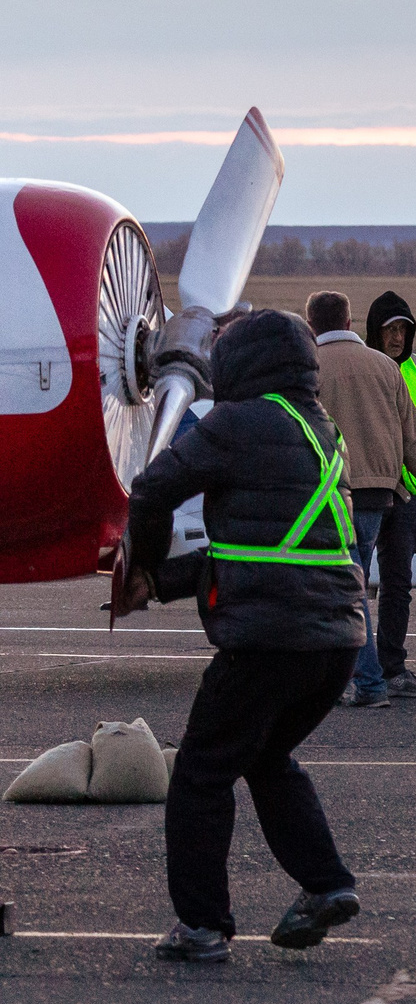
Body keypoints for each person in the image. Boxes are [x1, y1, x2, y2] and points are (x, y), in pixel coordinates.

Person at [121, 309, 369, 962]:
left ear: (245, 362)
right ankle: (326, 884)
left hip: (271, 638)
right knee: (264, 757)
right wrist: (165, 584)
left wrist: (140, 562)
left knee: (201, 771)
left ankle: (202, 925)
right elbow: (265, 551)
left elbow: (151, 490)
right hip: (337, 640)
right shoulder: (319, 429)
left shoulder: (238, 422)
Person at [307, 292, 416, 708]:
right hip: (384, 493)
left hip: (337, 493)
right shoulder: (387, 368)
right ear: (351, 322)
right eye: (392, 329)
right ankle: (369, 675)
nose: (399, 337)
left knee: (347, 590)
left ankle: (368, 683)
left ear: (310, 323)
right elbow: (415, 435)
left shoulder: (310, 366)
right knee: (360, 586)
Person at [365, 291, 416, 698]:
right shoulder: (363, 368)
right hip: (366, 491)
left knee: (398, 583)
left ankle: (392, 667)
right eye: (389, 329)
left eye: (403, 329)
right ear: (374, 332)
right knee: (351, 583)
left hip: (408, 495)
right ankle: (350, 671)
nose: (397, 337)